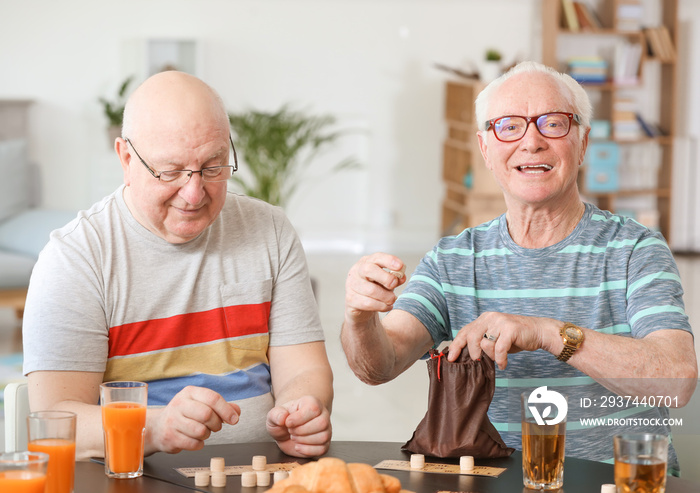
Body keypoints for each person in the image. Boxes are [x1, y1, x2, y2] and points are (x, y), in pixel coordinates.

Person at [342, 61, 697, 473]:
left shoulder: (635, 248)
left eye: (553, 124)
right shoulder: (452, 260)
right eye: (509, 126)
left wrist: (548, 333)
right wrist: (359, 317)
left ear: (582, 143)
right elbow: (379, 366)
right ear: (485, 149)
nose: (531, 142)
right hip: (493, 482)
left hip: (620, 483)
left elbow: (676, 380)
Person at [23, 71, 333, 460]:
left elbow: (304, 370)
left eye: (213, 166)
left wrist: (302, 410)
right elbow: (57, 418)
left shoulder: (269, 229)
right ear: (125, 158)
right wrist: (153, 427)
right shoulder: (76, 258)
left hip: (262, 475)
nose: (193, 193)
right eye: (170, 172)